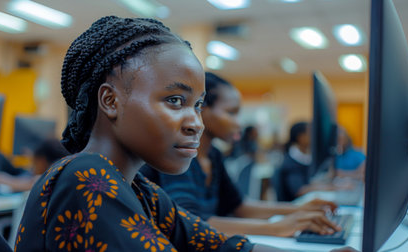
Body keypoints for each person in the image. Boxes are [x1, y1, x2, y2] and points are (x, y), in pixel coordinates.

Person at [13, 16, 303, 252]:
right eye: (175, 100)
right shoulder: (86, 178)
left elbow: (221, 245)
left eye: (198, 105)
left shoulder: (139, 190)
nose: (197, 123)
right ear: (110, 101)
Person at [142, 72, 341, 237]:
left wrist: (299, 210)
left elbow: (239, 206)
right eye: (231, 112)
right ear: (201, 108)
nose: (238, 123)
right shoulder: (180, 155)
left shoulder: (213, 155)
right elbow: (191, 222)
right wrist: (277, 228)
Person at [0, 139, 69, 192]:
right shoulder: (65, 171)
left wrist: (2, 179)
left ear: (42, 160)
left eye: (34, 164)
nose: (33, 170)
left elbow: (32, 182)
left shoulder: (51, 178)